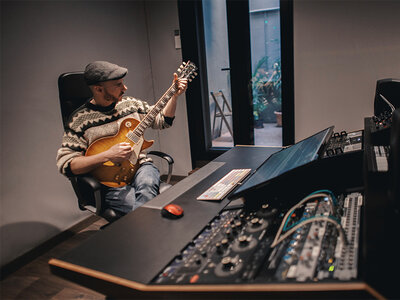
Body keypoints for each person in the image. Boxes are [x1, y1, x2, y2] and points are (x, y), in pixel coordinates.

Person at [56, 61, 187, 216]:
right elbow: (67, 164)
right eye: (118, 85)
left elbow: (162, 121)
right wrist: (108, 155)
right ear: (99, 89)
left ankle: (146, 230)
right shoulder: (80, 121)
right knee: (160, 209)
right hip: (110, 183)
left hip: (141, 168)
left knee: (148, 186)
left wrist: (174, 97)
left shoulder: (130, 104)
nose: (124, 88)